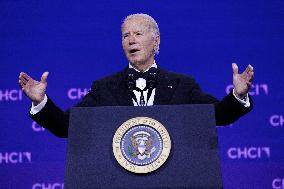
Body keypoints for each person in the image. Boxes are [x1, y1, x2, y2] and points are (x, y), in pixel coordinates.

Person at [18, 13, 254, 138]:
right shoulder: (105, 88)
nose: (131, 40)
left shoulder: (182, 84)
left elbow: (218, 116)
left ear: (156, 41)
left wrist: (238, 95)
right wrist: (40, 102)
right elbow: (67, 127)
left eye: (138, 34)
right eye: (125, 35)